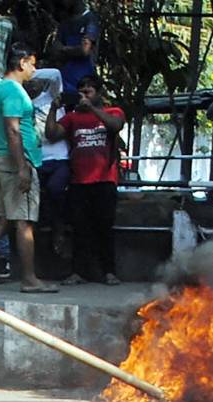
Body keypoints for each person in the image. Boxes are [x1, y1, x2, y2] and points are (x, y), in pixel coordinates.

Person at [0, 43, 57, 293]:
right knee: (24, 222)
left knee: (3, 221)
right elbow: (13, 130)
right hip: (15, 161)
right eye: (33, 64)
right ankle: (29, 279)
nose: (34, 70)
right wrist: (23, 167)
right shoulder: (15, 93)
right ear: (22, 62)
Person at [46, 74, 123, 285]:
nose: (83, 96)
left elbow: (116, 126)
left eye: (88, 92)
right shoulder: (72, 118)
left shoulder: (112, 111)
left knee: (105, 227)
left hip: (105, 179)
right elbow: (52, 134)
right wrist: (54, 108)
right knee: (80, 228)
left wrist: (92, 108)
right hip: (79, 181)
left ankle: (109, 271)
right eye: (81, 92)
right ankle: (78, 272)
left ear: (98, 93)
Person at [28, 67, 72, 258]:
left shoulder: (51, 95)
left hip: (59, 156)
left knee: (56, 189)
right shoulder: (23, 102)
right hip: (38, 158)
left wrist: (27, 71)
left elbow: (55, 73)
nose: (33, 82)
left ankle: (59, 230)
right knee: (38, 200)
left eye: (36, 79)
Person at [51, 0, 100, 93]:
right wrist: (75, 50)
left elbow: (84, 50)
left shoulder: (90, 19)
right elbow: (54, 51)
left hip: (85, 80)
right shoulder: (65, 23)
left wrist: (64, 50)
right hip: (66, 78)